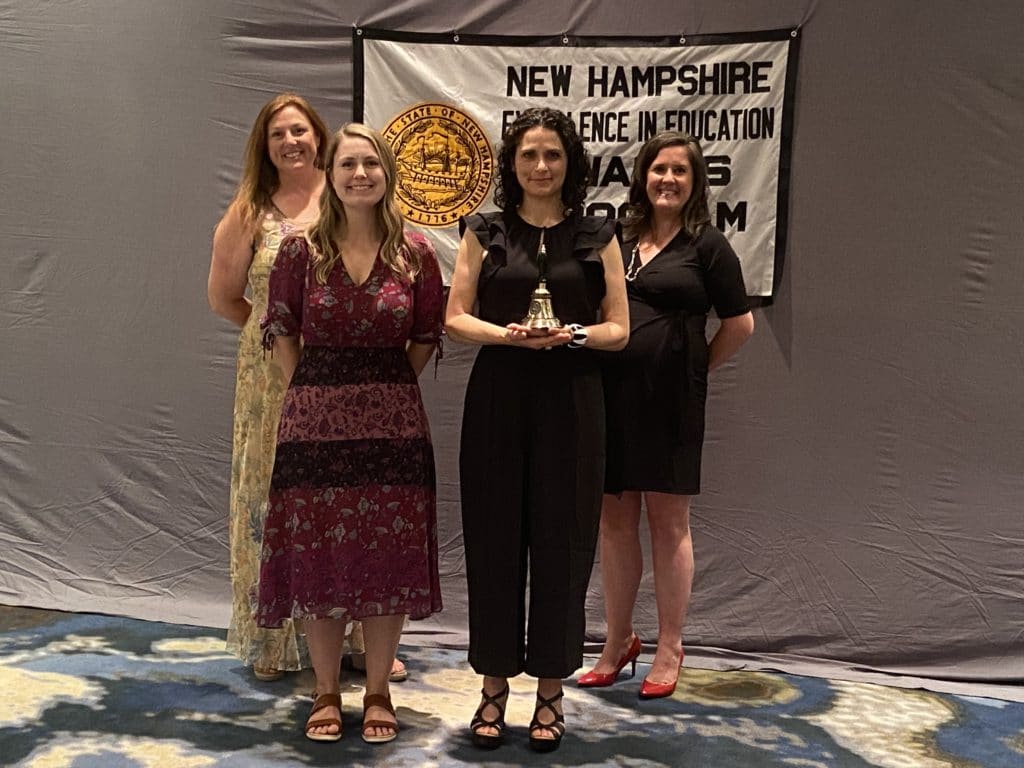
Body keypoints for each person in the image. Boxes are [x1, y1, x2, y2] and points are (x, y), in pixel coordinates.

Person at [445, 107, 629, 752]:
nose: (541, 166)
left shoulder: (597, 234)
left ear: (569, 163)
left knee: (565, 545)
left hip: (573, 399)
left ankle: (551, 691)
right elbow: (455, 316)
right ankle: (493, 687)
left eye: (552, 154)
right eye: (529, 155)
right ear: (511, 164)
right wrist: (511, 337)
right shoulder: (484, 230)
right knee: (494, 542)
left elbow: (618, 330)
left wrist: (570, 335)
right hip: (499, 392)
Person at [256, 123, 443, 744]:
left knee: (386, 555)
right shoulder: (298, 251)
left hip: (394, 426)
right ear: (330, 176)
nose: (359, 174)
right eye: (347, 165)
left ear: (388, 174)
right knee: (320, 556)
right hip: (313, 426)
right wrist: (315, 391)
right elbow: (282, 331)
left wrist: (379, 388)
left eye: (371, 164)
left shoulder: (416, 253)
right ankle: (327, 690)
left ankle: (380, 690)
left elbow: (423, 338)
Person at [578, 131, 754, 699]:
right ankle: (617, 640)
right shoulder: (619, 239)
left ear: (696, 182)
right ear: (642, 178)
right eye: (659, 170)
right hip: (611, 399)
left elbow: (740, 324)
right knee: (613, 522)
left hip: (672, 404)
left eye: (681, 171)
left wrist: (694, 370)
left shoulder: (709, 246)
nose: (669, 180)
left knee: (668, 525)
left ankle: (670, 645)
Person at [208, 92, 327, 682]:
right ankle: (273, 639)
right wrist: (272, 331)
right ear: (265, 145)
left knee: (338, 502)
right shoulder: (249, 211)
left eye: (299, 131)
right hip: (268, 383)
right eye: (278, 134)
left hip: (338, 374)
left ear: (318, 136)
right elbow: (225, 297)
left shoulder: (349, 193)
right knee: (273, 502)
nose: (291, 142)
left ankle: (357, 632)